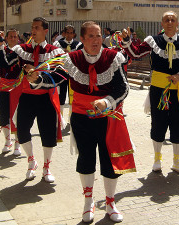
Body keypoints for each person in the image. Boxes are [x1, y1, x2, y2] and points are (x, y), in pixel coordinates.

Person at [27, 21, 136, 223]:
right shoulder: (72, 58)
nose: (96, 40)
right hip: (81, 117)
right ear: (83, 39)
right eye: (91, 36)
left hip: (108, 117)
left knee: (108, 160)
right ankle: (88, 202)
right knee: (85, 158)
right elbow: (55, 78)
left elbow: (123, 88)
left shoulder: (113, 57)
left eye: (99, 36)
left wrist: (106, 102)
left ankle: (111, 202)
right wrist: (36, 78)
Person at [121, 11, 179, 175]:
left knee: (178, 124)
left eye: (173, 20)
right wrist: (127, 41)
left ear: (177, 24)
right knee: (158, 123)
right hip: (158, 89)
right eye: (166, 20)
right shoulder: (153, 40)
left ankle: (177, 161)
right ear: (161, 24)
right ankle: (157, 159)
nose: (169, 22)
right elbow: (136, 53)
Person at [0, 17, 65, 182]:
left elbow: (60, 75)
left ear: (45, 31)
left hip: (46, 97)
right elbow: (5, 62)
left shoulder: (55, 50)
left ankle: (47, 167)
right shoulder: (21, 49)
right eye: (32, 27)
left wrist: (39, 76)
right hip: (26, 97)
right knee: (22, 131)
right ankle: (31, 161)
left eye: (37, 27)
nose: (33, 30)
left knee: (47, 134)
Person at [53, 25, 82, 116]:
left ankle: (71, 118)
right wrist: (62, 54)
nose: (69, 35)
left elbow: (80, 59)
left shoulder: (78, 45)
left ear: (74, 34)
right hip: (61, 72)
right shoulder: (57, 44)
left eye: (71, 33)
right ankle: (60, 119)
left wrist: (72, 55)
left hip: (73, 74)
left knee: (72, 97)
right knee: (61, 96)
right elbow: (54, 58)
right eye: (67, 33)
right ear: (64, 34)